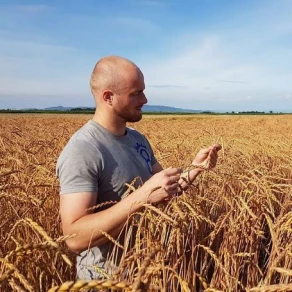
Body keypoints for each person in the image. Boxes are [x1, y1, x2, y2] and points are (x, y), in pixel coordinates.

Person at [56, 56, 221, 280]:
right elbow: (74, 238)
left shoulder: (137, 139)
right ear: (108, 97)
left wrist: (195, 169)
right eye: (136, 93)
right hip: (104, 281)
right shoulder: (83, 149)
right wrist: (143, 196)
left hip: (145, 272)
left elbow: (163, 191)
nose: (145, 99)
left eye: (143, 91)